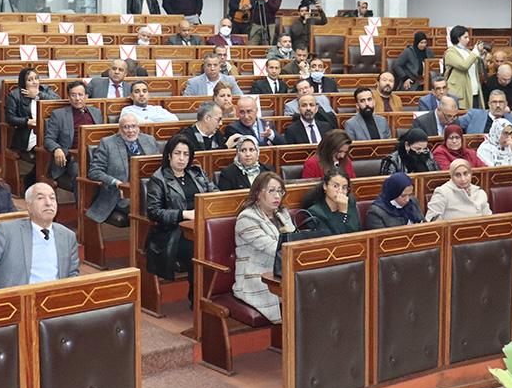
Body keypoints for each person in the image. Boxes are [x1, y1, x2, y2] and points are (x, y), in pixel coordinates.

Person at [0, 183, 79, 291]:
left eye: (52, 198)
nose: (48, 203)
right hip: (17, 305)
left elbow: (72, 275)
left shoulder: (67, 236)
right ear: (28, 206)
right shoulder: (8, 231)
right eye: (40, 198)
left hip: (54, 304)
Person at [144, 135, 217, 299]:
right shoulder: (159, 179)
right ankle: (197, 298)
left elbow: (216, 197)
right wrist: (183, 214)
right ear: (169, 155)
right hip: (173, 234)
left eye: (186, 154)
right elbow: (154, 212)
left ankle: (214, 294)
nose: (181, 158)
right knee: (198, 249)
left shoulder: (198, 173)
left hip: (203, 227)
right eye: (177, 153)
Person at [231, 172, 292, 322]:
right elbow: (273, 248)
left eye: (280, 191)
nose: (277, 196)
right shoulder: (247, 218)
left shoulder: (283, 214)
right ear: (258, 193)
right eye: (271, 191)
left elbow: (293, 241)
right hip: (256, 277)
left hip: (281, 271)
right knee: (300, 292)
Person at [86, 115, 159, 223]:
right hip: (120, 195)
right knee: (149, 210)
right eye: (126, 127)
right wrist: (115, 182)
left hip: (150, 191)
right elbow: (94, 171)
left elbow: (158, 166)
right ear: (120, 129)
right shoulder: (107, 143)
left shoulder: (149, 140)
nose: (131, 130)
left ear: (139, 127)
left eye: (134, 126)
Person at [43, 80, 101, 189]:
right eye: (73, 95)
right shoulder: (59, 115)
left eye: (80, 95)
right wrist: (57, 149)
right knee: (80, 174)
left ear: (87, 97)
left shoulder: (97, 113)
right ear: (69, 98)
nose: (77, 98)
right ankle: (82, 206)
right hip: (73, 159)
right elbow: (48, 139)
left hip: (97, 157)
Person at [425, 159, 492, 221]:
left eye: (466, 174)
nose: (463, 179)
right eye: (458, 175)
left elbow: (488, 220)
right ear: (451, 176)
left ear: (471, 174)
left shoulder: (479, 193)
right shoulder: (442, 193)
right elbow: (432, 222)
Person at [301, 170, 360, 237]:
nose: (340, 191)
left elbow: (358, 230)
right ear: (325, 186)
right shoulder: (314, 212)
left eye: (344, 187)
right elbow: (335, 239)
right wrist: (343, 213)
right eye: (335, 186)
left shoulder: (350, 201)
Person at [443, 25, 485, 108]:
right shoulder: (450, 53)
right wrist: (475, 51)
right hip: (461, 94)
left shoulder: (468, 52)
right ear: (458, 38)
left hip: (474, 90)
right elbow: (464, 66)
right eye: (465, 37)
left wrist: (481, 55)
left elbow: (480, 69)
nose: (468, 40)